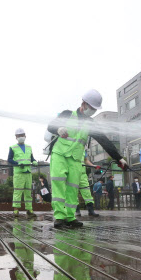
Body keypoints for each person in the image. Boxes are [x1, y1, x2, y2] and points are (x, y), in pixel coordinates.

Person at [47, 89, 128, 229]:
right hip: (59, 154)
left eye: (95, 110)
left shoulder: (91, 124)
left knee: (73, 188)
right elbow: (50, 126)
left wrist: (119, 158)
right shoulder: (68, 114)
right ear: (83, 104)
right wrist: (58, 129)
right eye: (91, 108)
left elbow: (104, 140)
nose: (92, 111)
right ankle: (60, 218)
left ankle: (70, 217)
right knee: (59, 186)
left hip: (76, 159)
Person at [8, 128, 38, 218]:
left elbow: (31, 158)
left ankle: (29, 209)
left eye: (22, 135)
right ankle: (16, 210)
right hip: (19, 173)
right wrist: (17, 164)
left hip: (28, 172)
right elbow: (9, 159)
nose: (21, 137)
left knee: (28, 192)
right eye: (19, 136)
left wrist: (34, 161)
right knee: (18, 191)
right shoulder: (12, 147)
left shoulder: (29, 147)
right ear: (16, 137)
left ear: (25, 136)